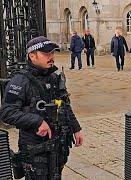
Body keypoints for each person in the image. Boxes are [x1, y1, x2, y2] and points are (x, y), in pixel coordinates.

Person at [0, 36, 84, 179]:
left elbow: (65, 105)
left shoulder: (54, 77)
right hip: (35, 150)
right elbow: (7, 113)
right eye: (46, 54)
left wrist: (76, 128)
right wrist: (37, 121)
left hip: (57, 147)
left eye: (52, 53)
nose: (51, 57)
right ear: (32, 56)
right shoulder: (20, 81)